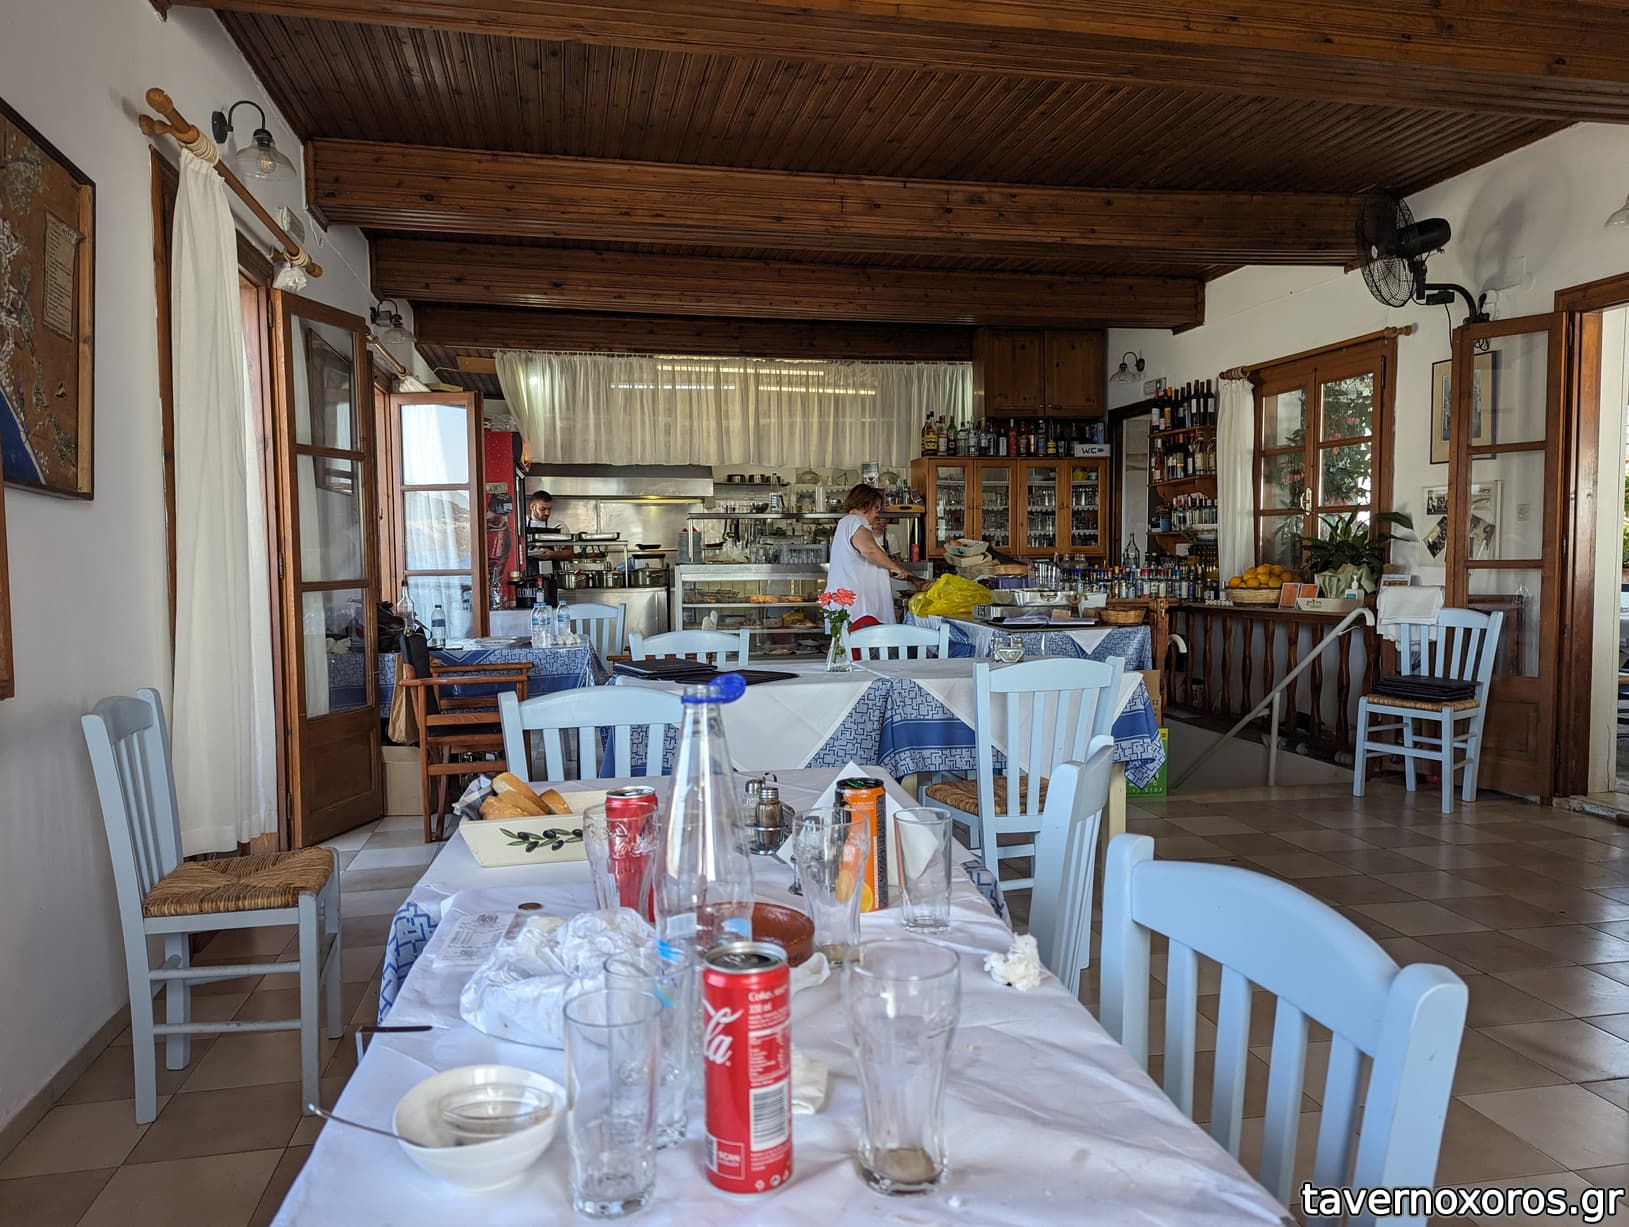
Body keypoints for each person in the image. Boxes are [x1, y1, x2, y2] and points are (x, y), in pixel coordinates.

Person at [826, 484, 918, 626]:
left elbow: (866, 561)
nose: (877, 514)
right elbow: (869, 550)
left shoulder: (845, 523)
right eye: (876, 508)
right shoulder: (857, 521)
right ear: (866, 504)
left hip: (850, 605)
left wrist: (893, 569)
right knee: (862, 639)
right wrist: (895, 567)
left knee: (848, 639)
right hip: (859, 608)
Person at [526, 490, 572, 604]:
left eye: (549, 509)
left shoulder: (558, 525)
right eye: (543, 509)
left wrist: (552, 554)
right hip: (527, 579)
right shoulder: (520, 524)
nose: (547, 512)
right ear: (532, 507)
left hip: (552, 580)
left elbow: (569, 553)